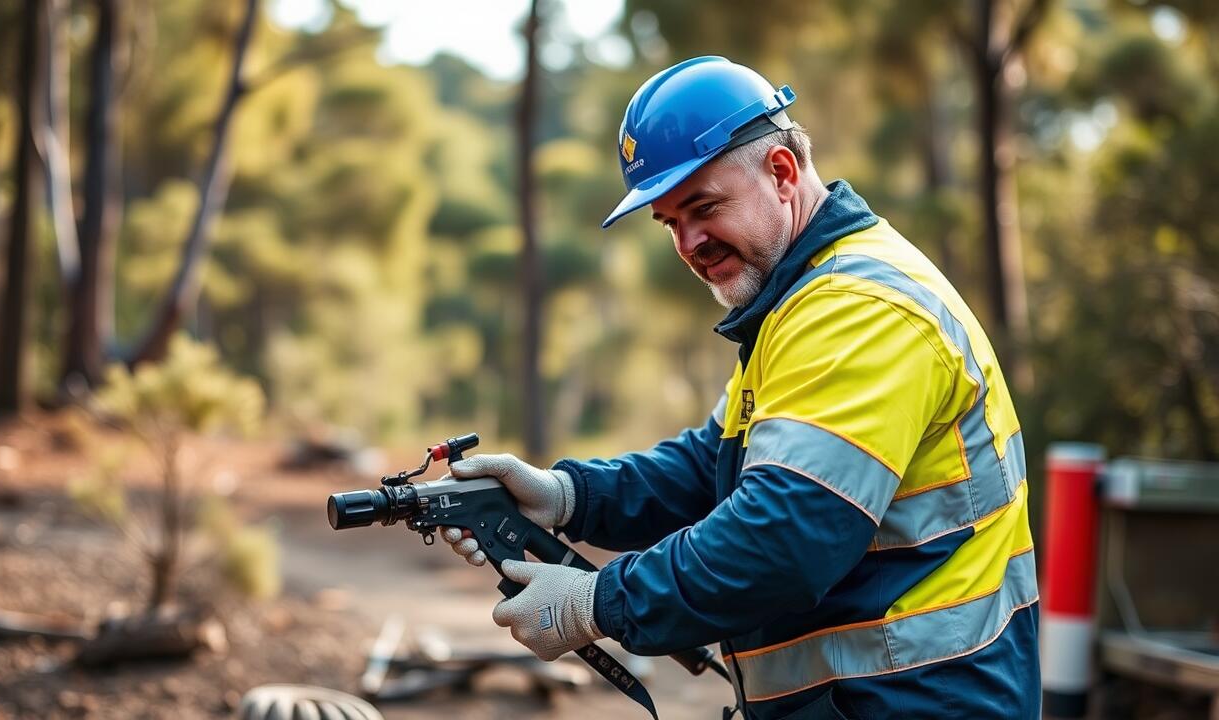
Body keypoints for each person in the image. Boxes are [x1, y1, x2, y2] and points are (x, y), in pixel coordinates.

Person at [439, 56, 1039, 720]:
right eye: (669, 222)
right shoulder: (798, 302)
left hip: (920, 701)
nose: (690, 242)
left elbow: (783, 542)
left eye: (704, 207)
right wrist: (565, 496)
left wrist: (599, 603)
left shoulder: (857, 310)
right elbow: (709, 466)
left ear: (782, 172)